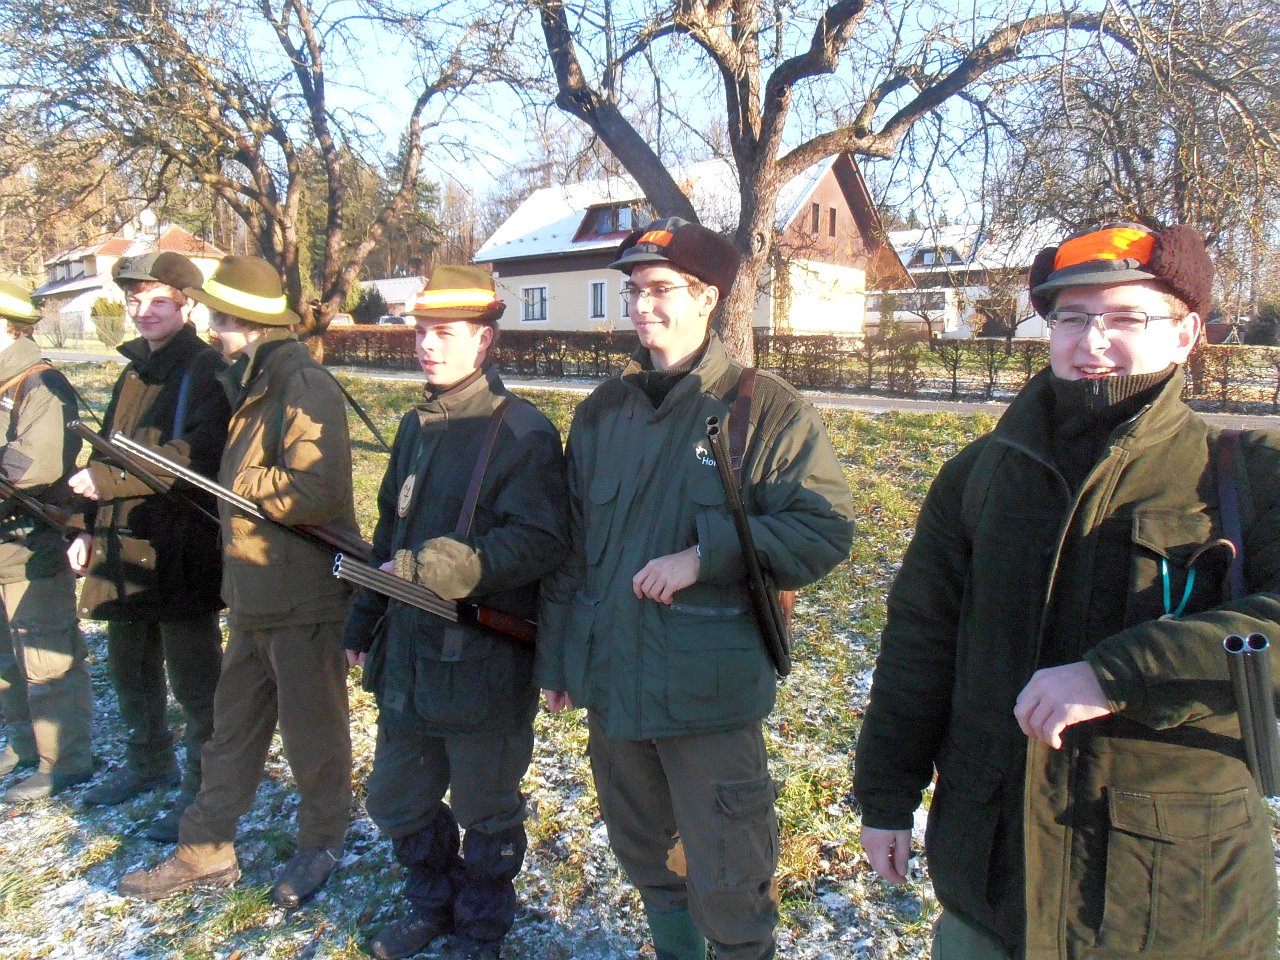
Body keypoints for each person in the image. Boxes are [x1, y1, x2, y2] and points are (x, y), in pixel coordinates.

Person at [854, 222, 1280, 959]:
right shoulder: (977, 476)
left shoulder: (1248, 474)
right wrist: (886, 797)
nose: (1091, 342)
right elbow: (920, 642)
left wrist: (1119, 673)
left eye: (1126, 317)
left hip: (1170, 896)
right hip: (991, 876)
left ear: (1186, 334)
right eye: (1072, 317)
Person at [537, 217, 855, 960]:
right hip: (614, 685)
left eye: (660, 289)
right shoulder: (601, 412)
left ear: (708, 297)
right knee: (650, 859)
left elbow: (824, 529)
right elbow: (573, 551)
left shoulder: (761, 409)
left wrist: (705, 556)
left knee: (730, 877)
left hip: (706, 695)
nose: (641, 305)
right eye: (633, 290)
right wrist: (559, 659)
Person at [343, 265, 569, 960]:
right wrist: (362, 620)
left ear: (484, 339)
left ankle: (479, 930)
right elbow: (389, 532)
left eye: (445, 333)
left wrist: (436, 569)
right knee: (395, 800)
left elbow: (539, 541)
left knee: (486, 813)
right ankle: (433, 905)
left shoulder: (522, 432)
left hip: (481, 666)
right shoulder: (416, 425)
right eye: (421, 332)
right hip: (407, 660)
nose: (427, 345)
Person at [119, 255, 357, 908]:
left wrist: (238, 483)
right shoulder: (252, 381)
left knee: (314, 739)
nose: (214, 330)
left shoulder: (302, 383)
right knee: (230, 734)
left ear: (249, 323)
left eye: (222, 319)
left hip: (302, 597)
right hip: (252, 594)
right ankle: (205, 848)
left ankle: (321, 843)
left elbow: (320, 487)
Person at [68, 252, 229, 842]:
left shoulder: (207, 369)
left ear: (186, 305)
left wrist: (108, 481)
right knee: (130, 668)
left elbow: (195, 458)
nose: (144, 311)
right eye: (135, 301)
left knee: (195, 681)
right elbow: (105, 449)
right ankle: (149, 763)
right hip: (122, 543)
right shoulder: (135, 369)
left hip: (179, 549)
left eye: (158, 300)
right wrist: (84, 526)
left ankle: (204, 791)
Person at [0, 280, 94, 803]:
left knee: (47, 660)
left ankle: (66, 760)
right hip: (4, 542)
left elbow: (29, 465)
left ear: (8, 326)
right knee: (6, 660)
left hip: (33, 542)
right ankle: (22, 745)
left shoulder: (40, 384)